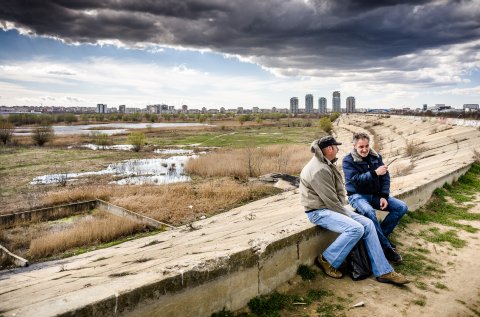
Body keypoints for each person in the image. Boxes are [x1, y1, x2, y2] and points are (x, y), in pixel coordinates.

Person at [300, 135, 409, 285]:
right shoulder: (319, 170)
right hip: (319, 212)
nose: (338, 149)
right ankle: (327, 259)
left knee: (368, 223)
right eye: (336, 146)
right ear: (330, 149)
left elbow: (335, 198)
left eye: (366, 146)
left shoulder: (324, 163)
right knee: (357, 228)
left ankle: (383, 271)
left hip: (329, 208)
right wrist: (348, 215)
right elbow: (332, 202)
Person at [342, 132, 408, 264]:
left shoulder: (376, 157)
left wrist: (384, 196)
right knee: (369, 212)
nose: (365, 149)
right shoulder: (348, 160)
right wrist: (374, 173)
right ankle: (386, 248)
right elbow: (355, 180)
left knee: (401, 207)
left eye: (366, 146)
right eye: (361, 147)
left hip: (376, 196)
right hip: (357, 196)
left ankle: (380, 238)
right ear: (354, 146)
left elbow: (385, 177)